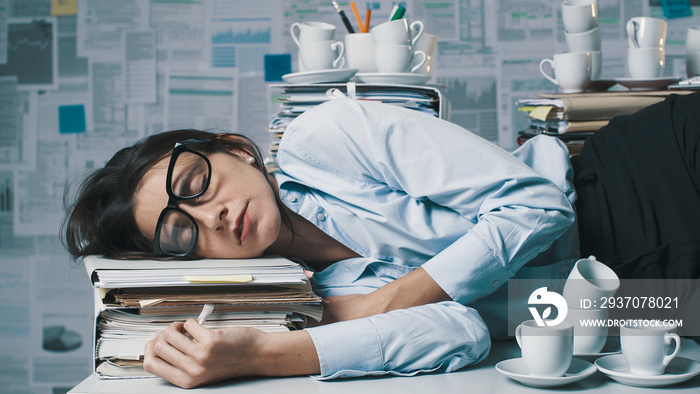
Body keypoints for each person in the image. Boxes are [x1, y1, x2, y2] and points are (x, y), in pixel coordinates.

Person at [63, 96, 581, 388]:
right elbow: (461, 332)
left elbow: (537, 206)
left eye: (196, 183)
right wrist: (263, 352)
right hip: (604, 306)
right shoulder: (316, 296)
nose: (212, 217)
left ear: (237, 151)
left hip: (623, 200)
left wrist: (379, 304)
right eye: (183, 232)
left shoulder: (327, 139)